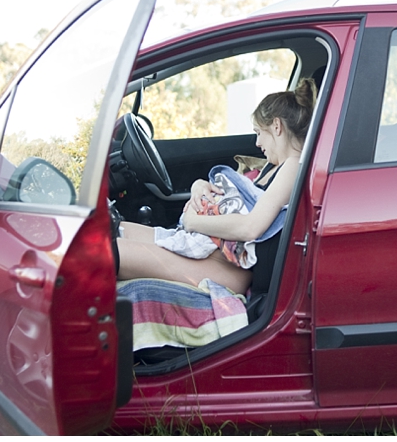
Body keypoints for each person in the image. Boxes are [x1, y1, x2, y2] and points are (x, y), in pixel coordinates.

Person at [115, 78, 317, 294]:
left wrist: (194, 222)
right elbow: (239, 199)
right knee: (117, 229)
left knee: (111, 251)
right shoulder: (272, 167)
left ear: (277, 126)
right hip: (208, 252)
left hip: (226, 268)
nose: (257, 143)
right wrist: (200, 186)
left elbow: (250, 227)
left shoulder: (294, 166)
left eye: (259, 133)